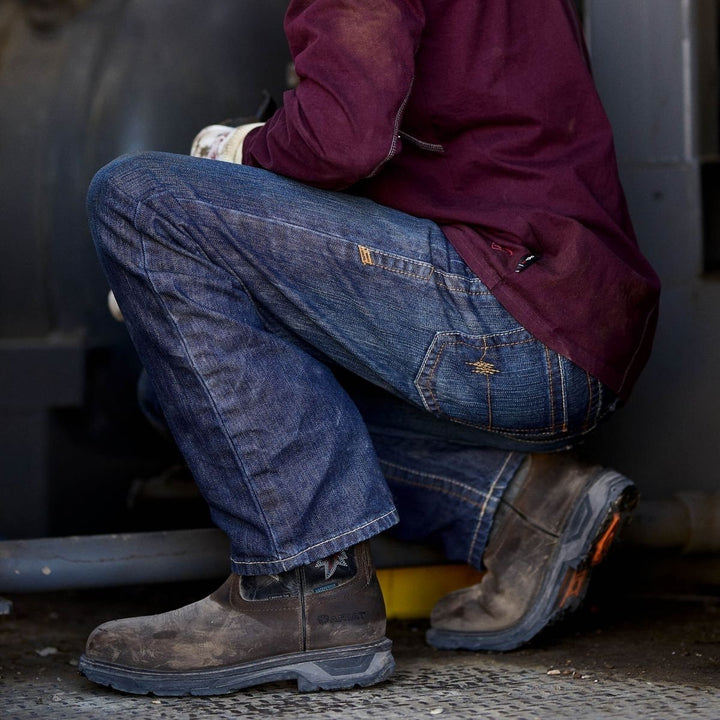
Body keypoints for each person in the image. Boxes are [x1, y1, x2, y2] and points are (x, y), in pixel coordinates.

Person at [80, 0, 660, 696]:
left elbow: (341, 136)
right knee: (172, 388)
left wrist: (240, 157)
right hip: (576, 320)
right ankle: (519, 507)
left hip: (504, 313)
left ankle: (302, 585)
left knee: (140, 201)